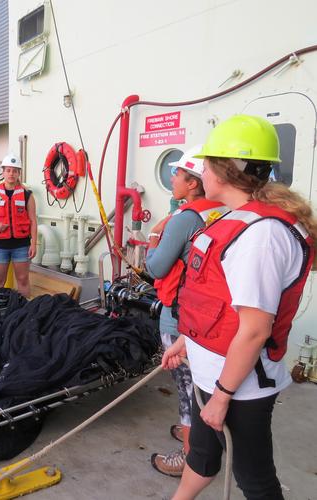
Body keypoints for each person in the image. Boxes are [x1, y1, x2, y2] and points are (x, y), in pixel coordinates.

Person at [162, 115, 316, 499]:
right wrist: (188, 340)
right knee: (202, 454)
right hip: (210, 368)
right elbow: (222, 303)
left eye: (205, 163)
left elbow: (254, 330)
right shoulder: (238, 218)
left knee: (255, 480)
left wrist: (223, 396)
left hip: (239, 385)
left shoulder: (260, 236)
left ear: (220, 171)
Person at [145, 146, 227, 477]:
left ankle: (190, 454)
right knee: (201, 384)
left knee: (186, 388)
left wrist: (153, 237)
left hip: (180, 317)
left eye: (177, 173)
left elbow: (156, 267)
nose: (172, 177)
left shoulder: (186, 219)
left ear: (193, 183)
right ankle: (198, 434)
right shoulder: (221, 212)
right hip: (210, 317)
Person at [0, 153, 38, 297]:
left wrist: (34, 244)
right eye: (8, 170)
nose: (11, 174)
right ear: (3, 171)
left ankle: (24, 314)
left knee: (23, 280)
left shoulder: (27, 195)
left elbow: (33, 221)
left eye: (15, 170)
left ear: (19, 173)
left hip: (21, 245)